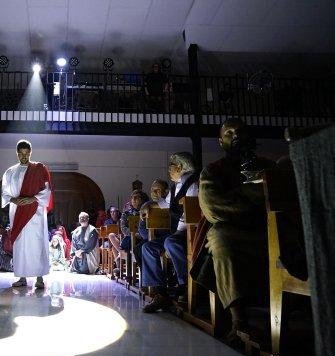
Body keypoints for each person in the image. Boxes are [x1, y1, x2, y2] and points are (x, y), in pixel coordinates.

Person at [198, 118, 276, 342]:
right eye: (229, 133)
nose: (236, 136)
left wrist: (241, 200)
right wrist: (255, 195)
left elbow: (286, 199)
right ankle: (239, 321)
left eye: (240, 131)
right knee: (221, 238)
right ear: (220, 142)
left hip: (268, 228)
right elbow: (214, 209)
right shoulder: (212, 171)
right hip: (233, 231)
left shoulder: (269, 166)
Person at [140, 152, 199, 313]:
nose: (169, 171)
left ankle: (184, 285)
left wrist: (176, 233)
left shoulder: (193, 184)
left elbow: (191, 211)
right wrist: (149, 205)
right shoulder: (176, 186)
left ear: (179, 167)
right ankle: (161, 293)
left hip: (192, 232)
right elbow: (164, 204)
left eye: (171, 167)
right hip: (178, 233)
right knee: (148, 247)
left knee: (170, 241)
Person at [1, 140, 52, 289]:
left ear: (30, 152)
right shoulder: (10, 171)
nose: (24, 156)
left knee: (37, 243)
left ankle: (39, 278)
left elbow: (47, 191)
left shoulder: (39, 169)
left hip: (35, 212)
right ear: (17, 153)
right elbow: (5, 191)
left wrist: (32, 199)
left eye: (26, 153)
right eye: (20, 154)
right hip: (17, 211)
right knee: (20, 243)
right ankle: (22, 277)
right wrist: (14, 200)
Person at [109, 189, 148, 277]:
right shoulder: (126, 213)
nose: (133, 200)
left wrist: (140, 235)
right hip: (131, 237)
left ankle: (141, 273)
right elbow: (123, 228)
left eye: (136, 198)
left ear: (142, 199)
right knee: (127, 243)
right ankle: (128, 272)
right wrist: (134, 234)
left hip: (143, 237)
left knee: (141, 246)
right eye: (132, 198)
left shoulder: (147, 210)